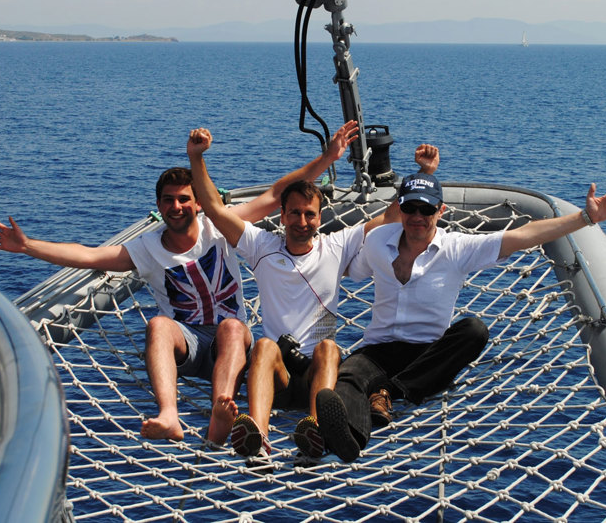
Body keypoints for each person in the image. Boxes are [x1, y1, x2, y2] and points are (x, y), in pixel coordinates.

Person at [0, 121, 360, 447]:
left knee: (231, 327)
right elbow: (88, 255)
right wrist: (27, 246)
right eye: (168, 201)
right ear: (159, 207)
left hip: (233, 346)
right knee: (158, 324)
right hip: (188, 345)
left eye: (184, 199)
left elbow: (278, 194)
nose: (176, 207)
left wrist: (327, 159)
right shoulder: (146, 248)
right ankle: (169, 416)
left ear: (198, 204)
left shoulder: (219, 227)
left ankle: (220, 413)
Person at [316, 173, 606, 462]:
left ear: (440, 211)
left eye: (426, 210)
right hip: (380, 347)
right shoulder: (376, 241)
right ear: (399, 208)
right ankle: (351, 438)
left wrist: (586, 217)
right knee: (350, 375)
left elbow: (524, 236)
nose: (417, 218)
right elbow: (347, 268)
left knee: (474, 330)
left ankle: (389, 393)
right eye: (410, 208)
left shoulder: (457, 248)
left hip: (429, 353)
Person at [186, 126, 440, 460]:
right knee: (263, 345)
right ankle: (258, 438)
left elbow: (391, 217)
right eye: (295, 213)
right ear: (282, 215)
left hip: (318, 378)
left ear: (320, 217)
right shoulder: (261, 246)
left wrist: (422, 174)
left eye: (310, 214)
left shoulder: (337, 245)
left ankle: (316, 431)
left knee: (329, 348)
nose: (302, 221)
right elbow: (215, 210)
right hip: (277, 378)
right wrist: (196, 156)